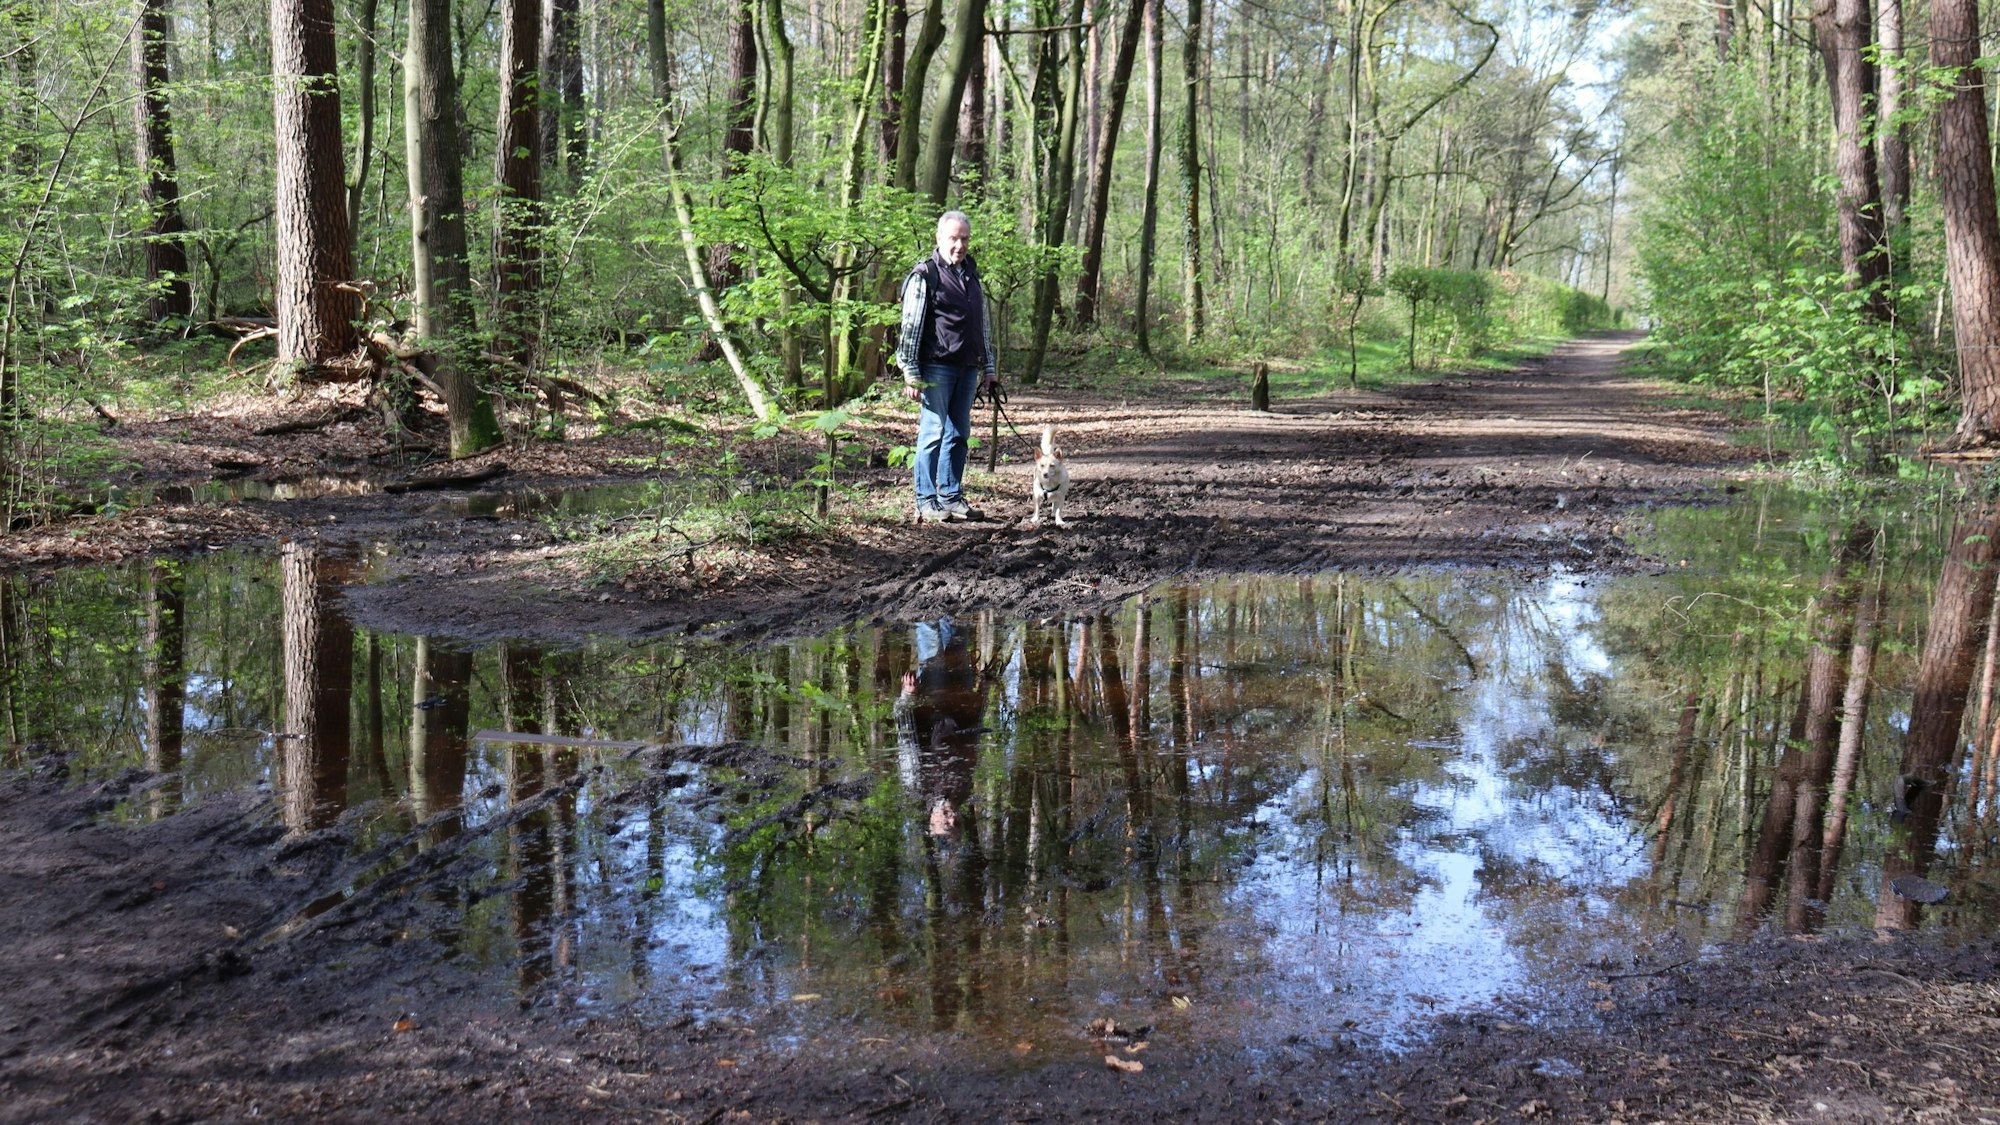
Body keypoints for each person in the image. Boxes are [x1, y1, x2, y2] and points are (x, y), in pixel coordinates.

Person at [893, 211, 998, 522]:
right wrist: (910, 372)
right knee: (933, 433)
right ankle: (926, 500)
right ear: (939, 239)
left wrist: (989, 367)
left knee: (959, 434)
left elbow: (983, 325)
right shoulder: (924, 275)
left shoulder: (972, 274)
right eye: (953, 238)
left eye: (964, 238)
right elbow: (910, 327)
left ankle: (951, 496)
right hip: (936, 366)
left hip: (968, 367)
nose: (959, 244)